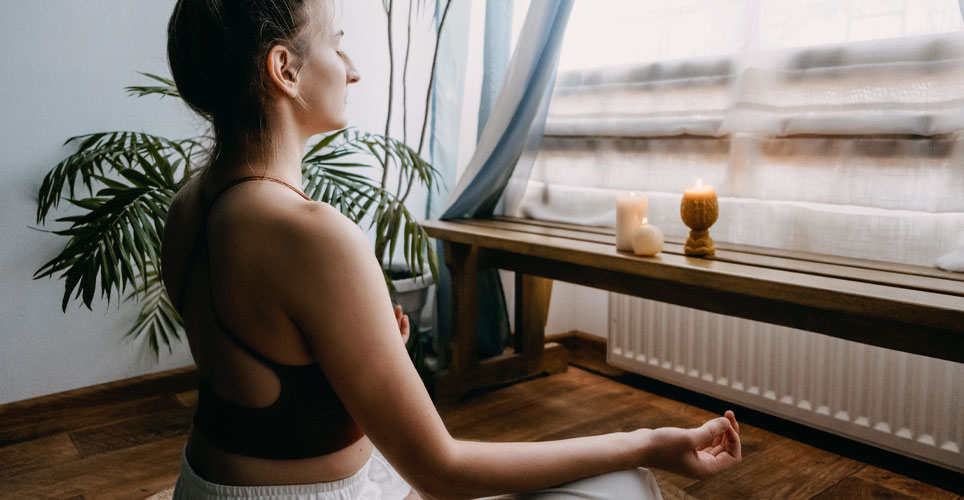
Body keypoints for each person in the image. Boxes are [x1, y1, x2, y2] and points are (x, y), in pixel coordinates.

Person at [161, 0, 743, 499]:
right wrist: (647, 441)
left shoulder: (190, 206)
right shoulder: (311, 233)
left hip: (206, 485)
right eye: (337, 45)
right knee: (629, 483)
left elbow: (263, 382)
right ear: (285, 69)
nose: (353, 68)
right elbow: (442, 469)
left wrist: (360, 344)